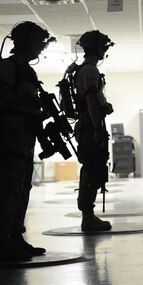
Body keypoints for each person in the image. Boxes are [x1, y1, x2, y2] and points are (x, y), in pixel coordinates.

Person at [0, 21, 55, 261]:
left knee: (23, 189)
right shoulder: (7, 67)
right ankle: (3, 241)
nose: (40, 48)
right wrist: (24, 101)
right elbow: (3, 98)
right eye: (38, 43)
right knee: (8, 190)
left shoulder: (28, 71)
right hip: (8, 139)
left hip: (24, 138)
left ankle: (15, 237)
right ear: (27, 42)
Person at [74, 30, 114, 231]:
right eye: (103, 46)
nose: (105, 50)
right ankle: (87, 217)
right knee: (92, 169)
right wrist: (98, 126)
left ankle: (88, 216)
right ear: (97, 47)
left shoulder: (85, 69)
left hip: (88, 124)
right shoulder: (90, 71)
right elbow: (90, 98)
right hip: (91, 125)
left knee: (93, 167)